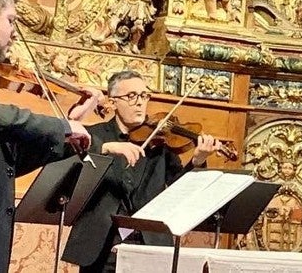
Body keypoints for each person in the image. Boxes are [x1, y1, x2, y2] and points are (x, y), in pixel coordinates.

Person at [0, 0, 92, 273]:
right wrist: (59, 126)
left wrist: (67, 138)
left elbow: (6, 163)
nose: (15, 32)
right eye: (11, 21)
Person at [61, 70, 223, 273]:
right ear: (112, 103)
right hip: (101, 247)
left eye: (144, 96)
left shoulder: (161, 144)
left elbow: (179, 192)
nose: (140, 102)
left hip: (150, 245)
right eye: (131, 96)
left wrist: (197, 161)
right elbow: (67, 156)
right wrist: (105, 147)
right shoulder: (95, 136)